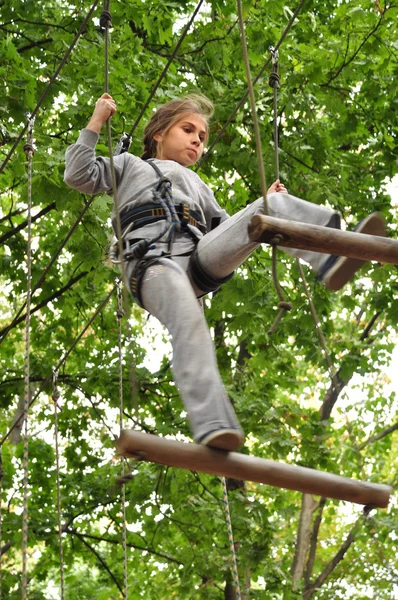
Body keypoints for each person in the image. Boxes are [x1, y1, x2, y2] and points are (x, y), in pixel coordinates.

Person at [64, 92, 386, 452]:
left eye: (201, 138)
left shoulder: (200, 186)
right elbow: (78, 174)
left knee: (270, 207)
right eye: (188, 130)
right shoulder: (129, 166)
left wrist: (266, 204)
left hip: (198, 258)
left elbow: (233, 229)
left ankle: (333, 254)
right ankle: (213, 423)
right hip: (153, 262)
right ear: (158, 134)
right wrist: (96, 121)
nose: (196, 141)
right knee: (188, 321)